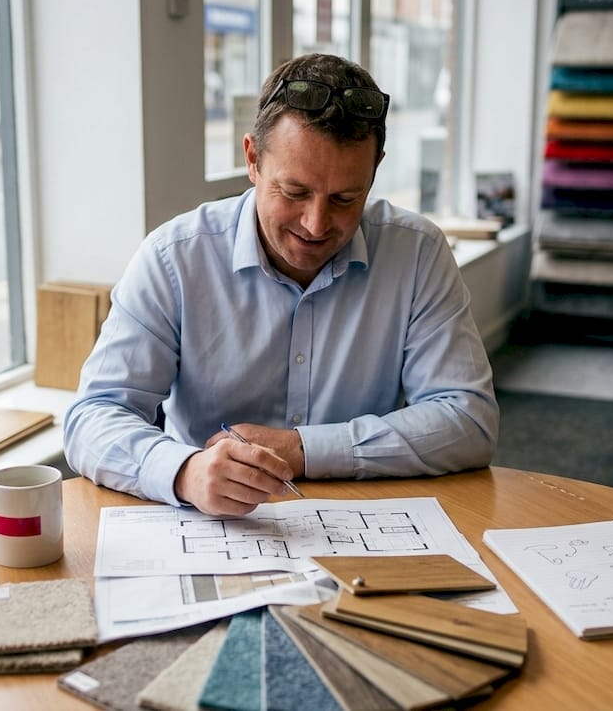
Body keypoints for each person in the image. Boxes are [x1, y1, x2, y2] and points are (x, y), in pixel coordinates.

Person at [63, 53, 499, 516]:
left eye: (345, 199)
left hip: (365, 519)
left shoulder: (417, 253)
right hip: (212, 523)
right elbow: (92, 418)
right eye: (294, 193)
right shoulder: (175, 257)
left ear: (375, 172)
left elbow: (468, 419)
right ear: (252, 160)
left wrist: (303, 449)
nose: (315, 224)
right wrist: (185, 470)